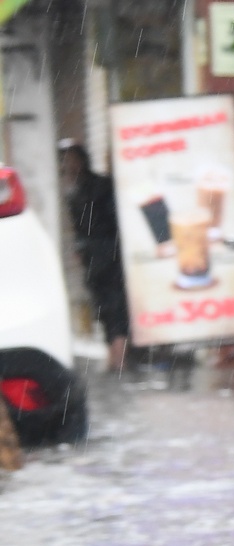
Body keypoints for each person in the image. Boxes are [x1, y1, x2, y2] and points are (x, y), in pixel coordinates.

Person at [58, 140, 129, 372]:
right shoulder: (74, 189)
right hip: (93, 257)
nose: (69, 164)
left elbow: (111, 220)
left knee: (114, 303)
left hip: (108, 254)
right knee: (103, 305)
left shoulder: (99, 186)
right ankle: (113, 351)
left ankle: (119, 352)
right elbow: (80, 227)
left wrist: (107, 247)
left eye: (72, 159)